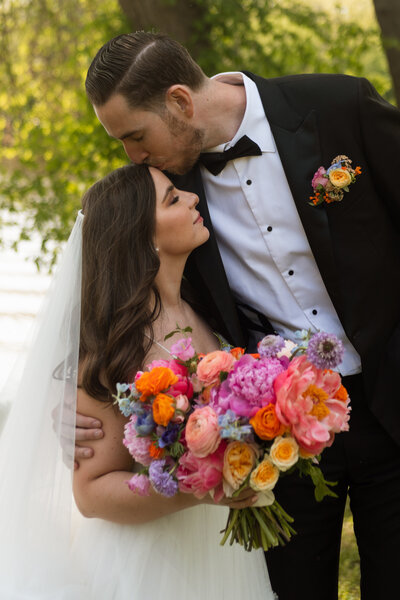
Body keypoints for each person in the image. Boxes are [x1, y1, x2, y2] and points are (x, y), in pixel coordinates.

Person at [77, 31, 400, 600]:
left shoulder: (337, 108)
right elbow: (128, 297)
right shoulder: (167, 198)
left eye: (134, 136)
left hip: (394, 402)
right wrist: (81, 404)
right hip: (276, 440)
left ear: (179, 101)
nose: (131, 156)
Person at [0, 163, 274, 599]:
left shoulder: (202, 307)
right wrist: (199, 492)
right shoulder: (114, 345)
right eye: (172, 198)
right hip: (148, 565)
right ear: (141, 237)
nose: (192, 199)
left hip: (216, 551)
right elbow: (90, 494)